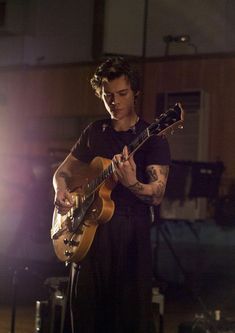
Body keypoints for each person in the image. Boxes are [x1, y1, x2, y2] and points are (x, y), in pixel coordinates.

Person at [53, 57, 171, 333]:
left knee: (127, 321)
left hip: (129, 241)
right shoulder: (95, 131)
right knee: (84, 319)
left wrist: (132, 183)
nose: (115, 102)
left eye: (122, 94)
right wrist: (60, 190)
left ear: (136, 93)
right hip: (89, 239)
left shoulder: (153, 137)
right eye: (108, 96)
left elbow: (157, 194)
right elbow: (62, 172)